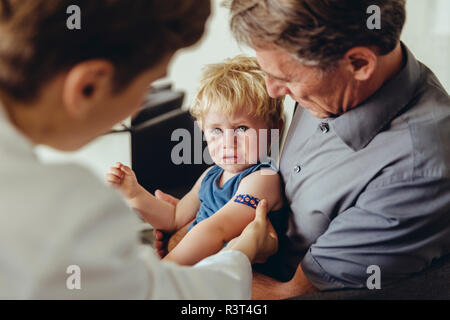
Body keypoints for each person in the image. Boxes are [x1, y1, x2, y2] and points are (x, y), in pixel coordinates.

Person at [156, 0, 450, 299]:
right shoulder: (329, 85)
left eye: (285, 79)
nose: (272, 91)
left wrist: (185, 250)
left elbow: (289, 295)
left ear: (359, 64)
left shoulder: (418, 170)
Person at [0, 0, 278, 299]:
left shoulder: (260, 178)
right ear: (89, 85)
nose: (141, 105)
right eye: (148, 86)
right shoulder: (69, 204)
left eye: (241, 129)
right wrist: (243, 250)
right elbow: (157, 290)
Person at [106, 56, 288, 266]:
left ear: (275, 129)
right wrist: (135, 194)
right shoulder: (210, 175)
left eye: (241, 128)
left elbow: (216, 229)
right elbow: (175, 217)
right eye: (217, 130)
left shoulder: (263, 179)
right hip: (199, 267)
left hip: (238, 277)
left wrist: (166, 270)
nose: (228, 142)